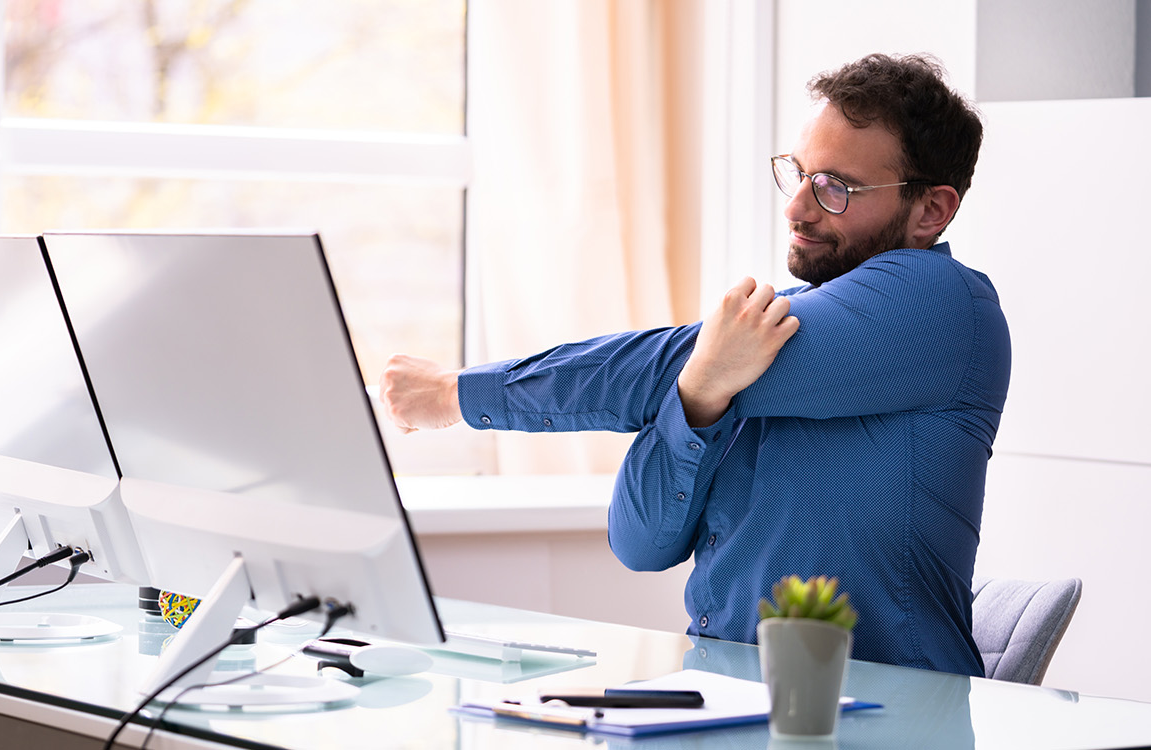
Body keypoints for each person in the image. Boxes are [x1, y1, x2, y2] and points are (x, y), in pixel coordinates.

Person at [380, 53, 1009, 677]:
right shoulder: (755, 339)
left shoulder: (945, 303)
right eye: (799, 174)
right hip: (727, 708)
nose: (796, 209)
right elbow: (640, 542)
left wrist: (456, 392)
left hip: (892, 722)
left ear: (931, 210)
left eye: (836, 188)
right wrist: (699, 394)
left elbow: (654, 368)